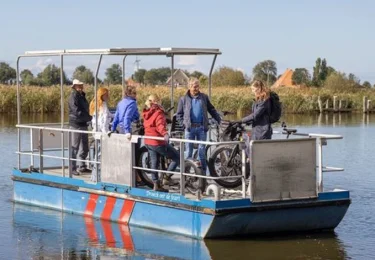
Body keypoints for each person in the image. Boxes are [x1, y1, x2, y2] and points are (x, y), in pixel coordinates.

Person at [176, 78, 221, 174]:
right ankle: (186, 174)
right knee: (189, 152)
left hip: (201, 128)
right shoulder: (183, 99)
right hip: (189, 128)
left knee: (201, 152)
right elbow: (179, 114)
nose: (196, 88)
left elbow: (211, 109)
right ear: (189, 87)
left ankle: (203, 175)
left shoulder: (204, 97)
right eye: (194, 86)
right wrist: (183, 125)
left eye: (197, 86)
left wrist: (219, 120)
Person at [143, 95, 180, 192]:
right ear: (157, 101)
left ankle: (156, 184)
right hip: (157, 141)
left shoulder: (147, 112)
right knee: (177, 157)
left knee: (154, 162)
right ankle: (166, 178)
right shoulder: (158, 112)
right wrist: (165, 133)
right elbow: (159, 125)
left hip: (148, 141)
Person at [111, 84, 144, 186]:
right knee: (135, 154)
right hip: (130, 130)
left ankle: (126, 177)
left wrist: (112, 129)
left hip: (120, 130)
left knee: (124, 155)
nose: (136, 95)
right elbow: (127, 118)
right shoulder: (132, 103)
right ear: (129, 93)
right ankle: (136, 179)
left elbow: (116, 117)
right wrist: (128, 132)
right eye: (134, 93)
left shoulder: (120, 103)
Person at [68, 79, 92, 176]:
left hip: (83, 123)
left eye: (81, 85)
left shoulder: (82, 96)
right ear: (74, 86)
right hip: (76, 124)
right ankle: (72, 168)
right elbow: (76, 111)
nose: (80, 87)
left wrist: (89, 117)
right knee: (75, 147)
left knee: (85, 146)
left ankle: (82, 166)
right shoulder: (73, 96)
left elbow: (86, 108)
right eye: (78, 85)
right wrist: (88, 117)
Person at [89, 87, 113, 182]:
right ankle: (97, 178)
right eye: (106, 94)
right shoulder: (102, 105)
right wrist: (105, 132)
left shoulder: (96, 104)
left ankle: (94, 177)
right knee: (99, 155)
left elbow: (107, 115)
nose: (108, 96)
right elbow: (102, 121)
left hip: (96, 133)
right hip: (101, 134)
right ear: (102, 95)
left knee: (97, 155)